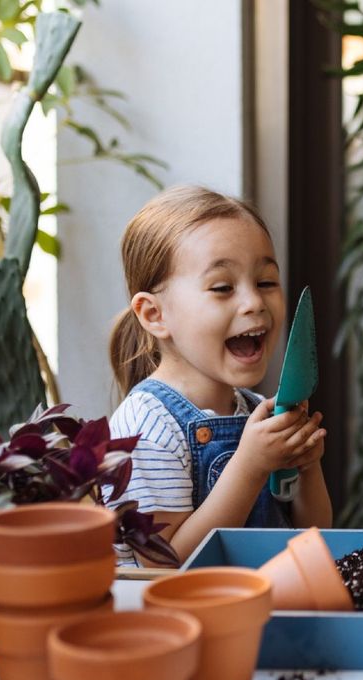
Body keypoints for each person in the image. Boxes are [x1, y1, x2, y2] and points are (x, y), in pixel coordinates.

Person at [106, 185, 332, 567]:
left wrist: (306, 468)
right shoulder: (145, 427)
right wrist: (250, 466)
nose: (254, 302)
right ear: (154, 315)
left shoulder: (257, 410)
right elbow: (162, 565)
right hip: (185, 623)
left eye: (265, 282)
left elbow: (313, 538)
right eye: (223, 287)